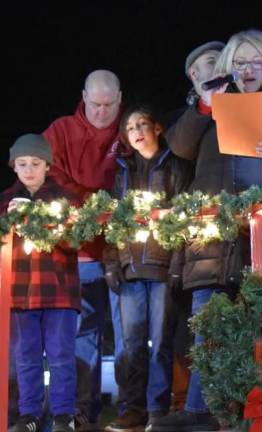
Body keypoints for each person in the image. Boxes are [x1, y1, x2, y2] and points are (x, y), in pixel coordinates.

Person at [148, 31, 262, 432]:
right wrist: (204, 107)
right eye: (241, 62)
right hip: (212, 237)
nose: (248, 70)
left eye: (257, 62)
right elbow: (179, 146)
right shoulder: (209, 106)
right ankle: (199, 411)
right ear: (228, 65)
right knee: (208, 326)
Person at [43, 69, 125, 431]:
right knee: (81, 336)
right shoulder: (60, 130)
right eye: (96, 104)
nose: (102, 112)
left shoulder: (132, 128)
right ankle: (81, 411)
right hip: (78, 253)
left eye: (109, 105)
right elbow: (47, 175)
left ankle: (134, 409)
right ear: (84, 97)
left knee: (130, 334)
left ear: (120, 100)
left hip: (125, 252)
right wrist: (91, 200)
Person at [103, 105, 193, 431]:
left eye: (143, 124)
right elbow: (111, 220)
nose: (137, 130)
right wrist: (112, 263)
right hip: (129, 269)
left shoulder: (175, 167)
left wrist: (177, 266)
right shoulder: (122, 172)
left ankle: (158, 408)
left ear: (157, 127)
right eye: (130, 127)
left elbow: (185, 220)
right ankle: (133, 408)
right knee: (130, 346)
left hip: (162, 268)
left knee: (161, 342)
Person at [2, 134, 80, 432]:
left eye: (35, 163)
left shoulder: (65, 199)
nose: (29, 169)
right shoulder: (6, 201)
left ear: (47, 165)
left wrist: (48, 222)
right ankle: (29, 414)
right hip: (20, 294)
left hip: (59, 291)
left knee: (61, 356)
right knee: (26, 357)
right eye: (22, 164)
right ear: (14, 167)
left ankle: (63, 415)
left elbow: (77, 240)